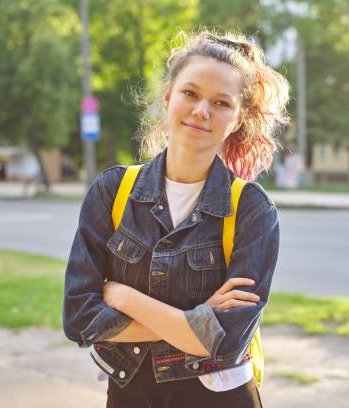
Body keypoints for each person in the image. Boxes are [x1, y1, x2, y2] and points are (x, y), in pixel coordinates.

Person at [62, 30, 289, 408]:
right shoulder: (113, 190)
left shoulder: (252, 209)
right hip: (130, 393)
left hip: (221, 396)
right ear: (168, 95)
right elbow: (79, 318)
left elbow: (227, 340)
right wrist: (196, 324)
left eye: (220, 102)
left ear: (237, 118)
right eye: (191, 93)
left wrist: (122, 296)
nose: (202, 111)